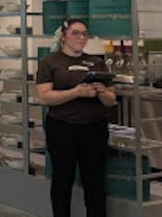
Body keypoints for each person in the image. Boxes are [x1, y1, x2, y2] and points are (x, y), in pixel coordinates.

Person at [36, 19, 116, 217]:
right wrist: (76, 92)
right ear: (64, 36)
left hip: (94, 129)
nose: (81, 37)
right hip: (63, 129)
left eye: (84, 34)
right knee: (62, 181)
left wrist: (101, 91)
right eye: (75, 33)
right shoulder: (50, 62)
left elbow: (110, 100)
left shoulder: (97, 62)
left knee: (95, 183)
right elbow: (44, 97)